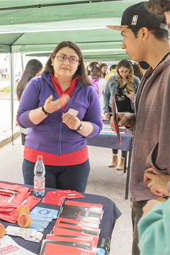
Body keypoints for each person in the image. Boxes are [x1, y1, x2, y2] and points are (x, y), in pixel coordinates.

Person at [107, 2, 170, 254]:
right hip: (146, 194)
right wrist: (132, 120)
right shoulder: (149, 74)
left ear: (143, 33)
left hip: (160, 201)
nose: (122, 44)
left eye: (124, 35)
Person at [17, 41, 102, 193]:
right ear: (52, 59)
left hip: (75, 164)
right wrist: (45, 110)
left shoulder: (88, 90)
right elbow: (22, 120)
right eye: (62, 57)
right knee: (39, 208)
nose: (66, 62)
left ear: (79, 64)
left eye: (72, 59)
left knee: (70, 210)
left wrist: (79, 125)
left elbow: (96, 127)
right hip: (38, 162)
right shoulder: (36, 84)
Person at [103, 59, 140, 170]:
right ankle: (114, 157)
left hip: (129, 111)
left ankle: (123, 160)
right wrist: (106, 111)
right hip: (115, 110)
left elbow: (141, 97)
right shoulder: (112, 79)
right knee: (115, 132)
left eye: (126, 71)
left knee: (125, 136)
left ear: (130, 70)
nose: (124, 73)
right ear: (117, 70)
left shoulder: (135, 80)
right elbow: (106, 95)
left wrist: (133, 97)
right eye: (121, 71)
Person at [16, 59, 43, 145]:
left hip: (24, 125)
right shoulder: (32, 85)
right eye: (41, 71)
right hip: (32, 124)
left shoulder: (22, 83)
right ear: (36, 70)